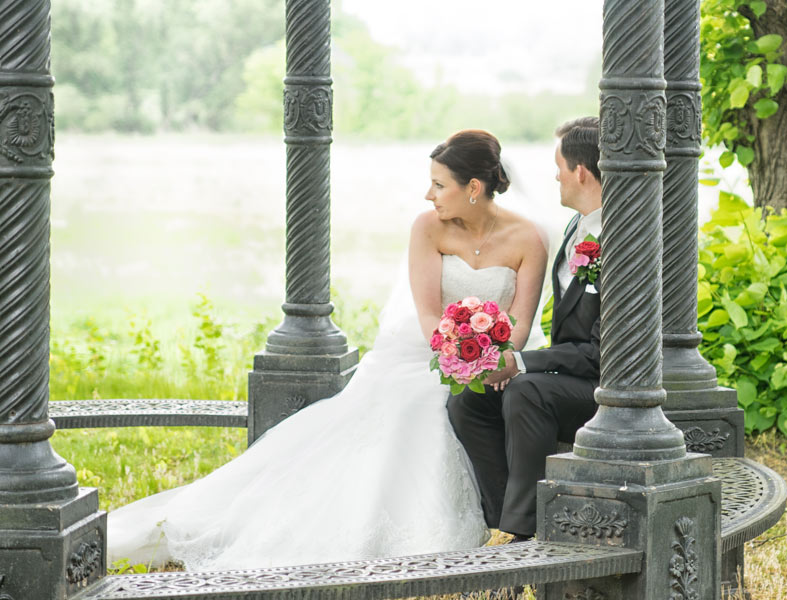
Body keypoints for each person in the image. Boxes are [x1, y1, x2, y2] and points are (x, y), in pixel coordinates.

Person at [106, 130, 548, 571]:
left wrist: (490, 361)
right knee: (413, 401)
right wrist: (455, 355)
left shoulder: (528, 238)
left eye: (438, 184)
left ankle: (488, 524)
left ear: (473, 188)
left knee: (448, 402)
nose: (427, 194)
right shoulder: (427, 226)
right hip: (424, 353)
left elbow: (522, 324)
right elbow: (429, 315)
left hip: (488, 363)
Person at [447, 117, 603, 541]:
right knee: (470, 396)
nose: (555, 175)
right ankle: (502, 520)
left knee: (525, 390)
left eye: (559, 165)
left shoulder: (620, 242)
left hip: (610, 391)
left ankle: (523, 536)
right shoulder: (576, 228)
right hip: (568, 373)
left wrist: (519, 362)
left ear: (581, 172)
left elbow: (602, 353)